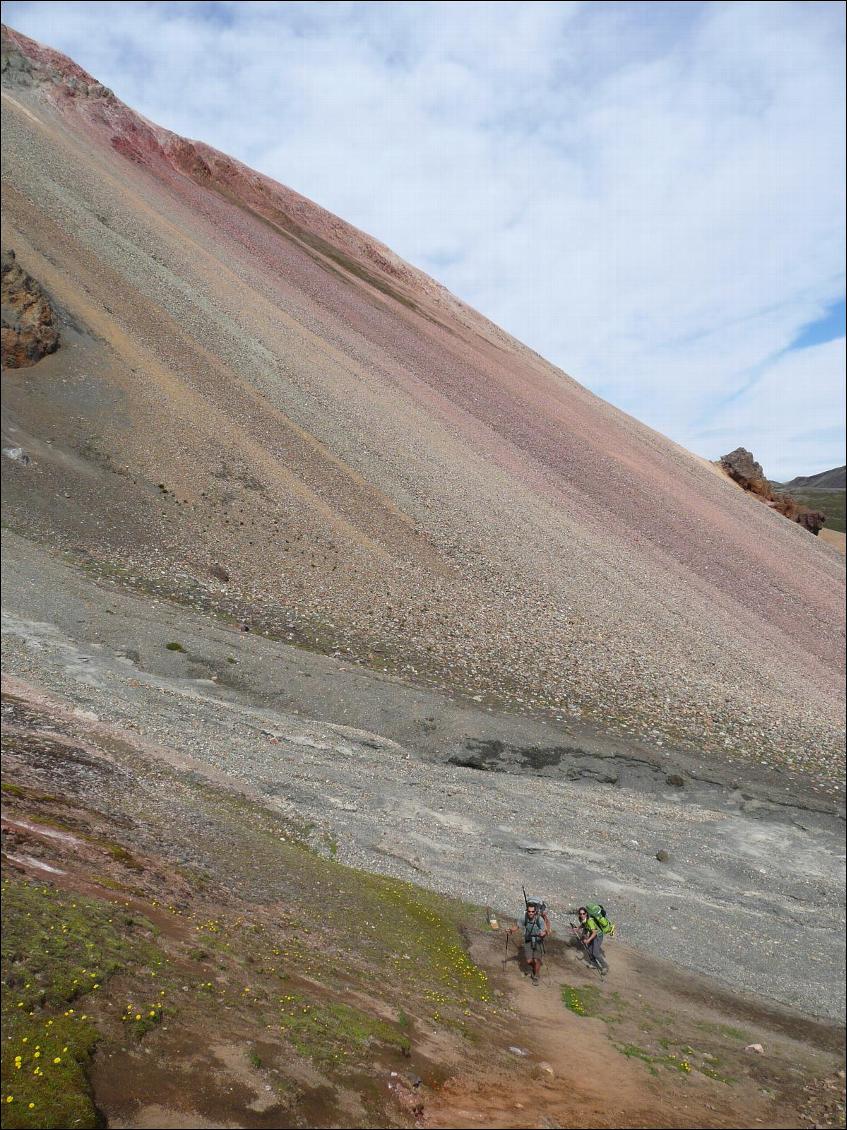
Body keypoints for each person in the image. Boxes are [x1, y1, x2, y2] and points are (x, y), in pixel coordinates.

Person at [508, 902, 548, 984]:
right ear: (527, 911)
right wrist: (511, 930)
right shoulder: (524, 918)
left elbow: (545, 931)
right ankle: (535, 967)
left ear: (535, 912)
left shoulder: (539, 920)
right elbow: (517, 926)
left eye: (532, 911)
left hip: (538, 940)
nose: (530, 913)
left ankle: (536, 975)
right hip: (528, 939)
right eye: (529, 911)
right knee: (529, 961)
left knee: (537, 959)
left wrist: (542, 934)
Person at [575, 906, 608, 976]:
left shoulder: (590, 921)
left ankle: (605, 967)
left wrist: (588, 940)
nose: (582, 915)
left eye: (583, 913)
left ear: (586, 913)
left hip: (598, 936)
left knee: (595, 952)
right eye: (580, 914)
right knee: (589, 950)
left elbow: (595, 932)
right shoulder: (583, 919)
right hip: (592, 934)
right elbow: (584, 925)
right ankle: (594, 964)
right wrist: (577, 928)